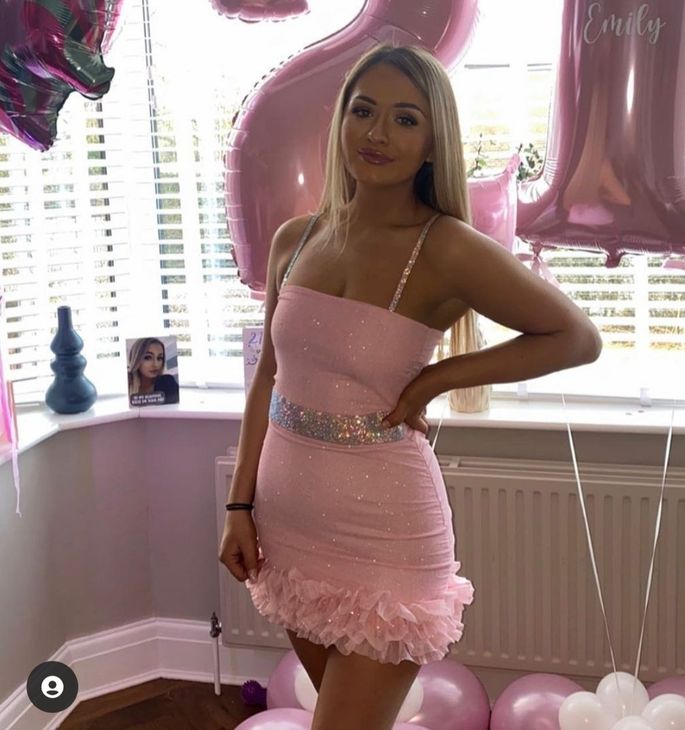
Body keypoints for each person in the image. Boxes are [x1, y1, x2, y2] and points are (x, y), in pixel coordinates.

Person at [218, 44, 602, 730]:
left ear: (431, 142)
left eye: (404, 119)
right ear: (339, 122)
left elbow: (574, 337)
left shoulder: (446, 247)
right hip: (288, 527)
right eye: (362, 111)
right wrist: (238, 505)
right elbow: (268, 379)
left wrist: (436, 378)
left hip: (384, 534)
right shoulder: (294, 240)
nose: (376, 133)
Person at [127, 337, 179, 404]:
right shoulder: (127, 383)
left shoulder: (167, 383)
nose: (155, 364)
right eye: (148, 357)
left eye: (159, 358)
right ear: (136, 359)